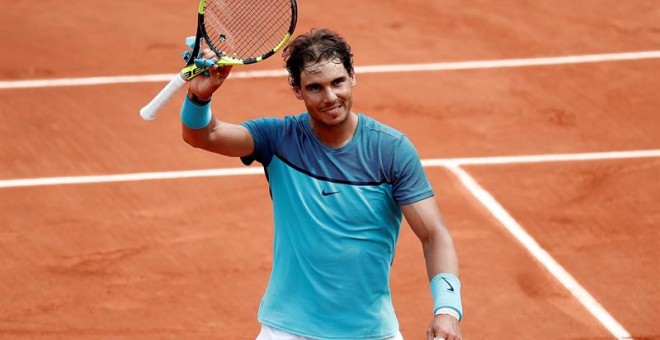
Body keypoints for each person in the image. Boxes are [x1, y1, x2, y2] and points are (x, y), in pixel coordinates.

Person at [179, 28, 463, 340]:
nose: (330, 97)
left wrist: (447, 310)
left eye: (337, 82)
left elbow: (433, 233)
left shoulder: (391, 150)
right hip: (286, 331)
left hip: (370, 332)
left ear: (352, 76)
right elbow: (203, 135)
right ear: (297, 89)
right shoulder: (278, 139)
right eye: (315, 87)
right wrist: (199, 96)